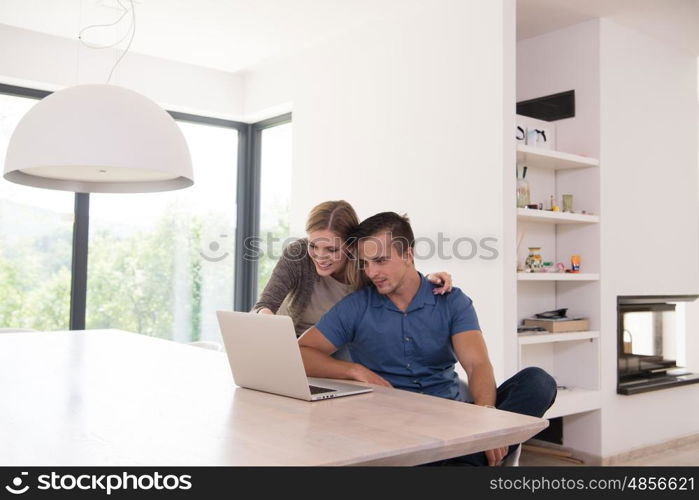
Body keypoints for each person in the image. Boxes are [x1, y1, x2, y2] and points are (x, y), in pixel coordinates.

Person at [298, 212, 557, 466]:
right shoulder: (356, 307)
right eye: (365, 263)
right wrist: (354, 370)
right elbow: (301, 352)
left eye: (380, 260)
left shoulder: (451, 301)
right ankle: (469, 461)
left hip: (456, 422)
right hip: (393, 431)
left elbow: (477, 364)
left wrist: (488, 424)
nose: (372, 272)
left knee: (538, 382)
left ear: (408, 255)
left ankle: (470, 454)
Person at [253, 200, 453, 336]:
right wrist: (271, 327)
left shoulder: (365, 265)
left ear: (350, 247)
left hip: (337, 347)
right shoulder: (297, 254)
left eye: (331, 249)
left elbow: (396, 277)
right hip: (290, 341)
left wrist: (427, 280)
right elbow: (264, 305)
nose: (320, 256)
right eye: (313, 245)